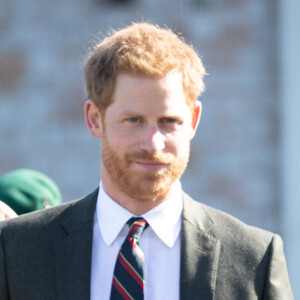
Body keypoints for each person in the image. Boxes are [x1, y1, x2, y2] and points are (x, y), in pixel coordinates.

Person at [0, 22, 293, 300]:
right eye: (134, 120)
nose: (153, 143)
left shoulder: (254, 260)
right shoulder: (19, 251)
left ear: (193, 120)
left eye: (169, 121)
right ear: (94, 119)